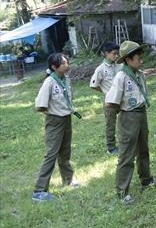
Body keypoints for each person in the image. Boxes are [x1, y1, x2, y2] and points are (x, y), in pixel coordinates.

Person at [105, 41, 156, 204]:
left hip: (141, 114)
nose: (141, 61)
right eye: (138, 58)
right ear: (128, 60)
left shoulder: (140, 74)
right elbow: (110, 102)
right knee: (127, 153)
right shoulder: (121, 77)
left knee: (143, 150)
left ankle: (146, 180)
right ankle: (122, 190)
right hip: (129, 117)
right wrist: (124, 110)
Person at [32, 53, 79, 201]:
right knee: (51, 154)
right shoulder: (49, 82)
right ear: (54, 67)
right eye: (63, 63)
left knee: (65, 152)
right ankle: (39, 190)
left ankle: (68, 180)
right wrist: (52, 113)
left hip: (66, 119)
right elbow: (39, 106)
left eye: (67, 62)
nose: (67, 65)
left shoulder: (66, 79)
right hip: (54, 121)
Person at [89, 42, 121, 154]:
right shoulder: (101, 69)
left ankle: (125, 142)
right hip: (110, 101)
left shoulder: (120, 65)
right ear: (106, 53)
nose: (116, 56)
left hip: (121, 99)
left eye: (118, 54)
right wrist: (106, 91)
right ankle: (111, 147)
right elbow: (93, 85)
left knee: (125, 121)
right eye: (114, 54)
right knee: (110, 124)